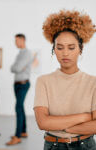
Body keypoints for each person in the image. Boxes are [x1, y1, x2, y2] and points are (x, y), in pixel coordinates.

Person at [34, 10, 96, 150]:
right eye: (60, 47)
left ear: (80, 49)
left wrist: (62, 127)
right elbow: (43, 123)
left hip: (85, 145)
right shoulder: (43, 81)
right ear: (54, 50)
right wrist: (86, 117)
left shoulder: (93, 83)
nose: (65, 53)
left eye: (71, 47)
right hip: (53, 145)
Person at [6, 34, 35, 145]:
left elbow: (16, 68)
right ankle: (23, 132)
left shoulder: (27, 53)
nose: (15, 43)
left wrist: (18, 67)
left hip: (23, 84)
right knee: (21, 107)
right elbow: (12, 68)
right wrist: (17, 67)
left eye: (17, 41)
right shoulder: (20, 53)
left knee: (18, 107)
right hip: (17, 84)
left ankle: (17, 136)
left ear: (22, 40)